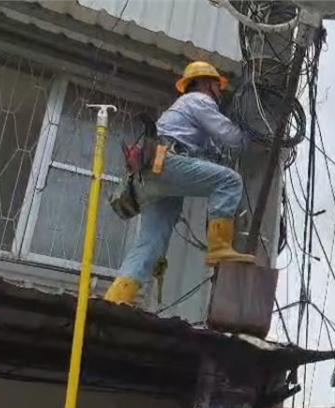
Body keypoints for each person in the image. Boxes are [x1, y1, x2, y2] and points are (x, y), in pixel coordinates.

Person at [104, 60, 255, 305]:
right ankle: (219, 247)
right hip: (167, 163)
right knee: (229, 181)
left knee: (151, 241)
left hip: (149, 175)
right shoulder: (198, 100)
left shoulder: (181, 109)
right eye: (218, 86)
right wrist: (251, 134)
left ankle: (116, 298)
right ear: (208, 84)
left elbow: (209, 151)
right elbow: (231, 138)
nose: (220, 92)